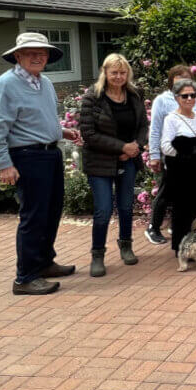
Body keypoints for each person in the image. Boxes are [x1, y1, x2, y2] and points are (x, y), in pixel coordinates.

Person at [0, 32, 82, 295]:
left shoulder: (44, 83)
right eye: (31, 52)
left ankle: (44, 263)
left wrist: (61, 131)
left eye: (42, 52)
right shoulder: (5, 85)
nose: (38, 57)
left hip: (50, 154)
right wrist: (3, 164)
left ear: (48, 56)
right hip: (27, 157)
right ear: (18, 56)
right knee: (34, 217)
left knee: (51, 212)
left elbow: (37, 119)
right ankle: (25, 277)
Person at [79, 53, 148, 277]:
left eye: (122, 72)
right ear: (105, 73)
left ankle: (126, 245)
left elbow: (143, 126)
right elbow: (88, 134)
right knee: (103, 210)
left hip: (128, 159)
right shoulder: (93, 97)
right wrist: (121, 147)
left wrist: (135, 147)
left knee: (127, 206)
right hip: (100, 162)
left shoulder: (134, 95)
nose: (118, 76)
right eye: (114, 72)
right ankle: (97, 254)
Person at [144, 65, 196, 246]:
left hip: (191, 156)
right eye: (179, 79)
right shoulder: (162, 100)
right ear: (171, 81)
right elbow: (155, 130)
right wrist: (154, 155)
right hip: (172, 155)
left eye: (187, 78)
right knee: (166, 190)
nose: (183, 82)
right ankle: (153, 226)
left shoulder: (194, 98)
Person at [161, 80, 196, 254]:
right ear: (176, 98)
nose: (189, 98)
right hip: (180, 171)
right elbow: (166, 147)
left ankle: (195, 244)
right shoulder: (171, 119)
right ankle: (181, 247)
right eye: (185, 96)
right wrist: (189, 148)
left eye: (192, 95)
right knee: (181, 210)